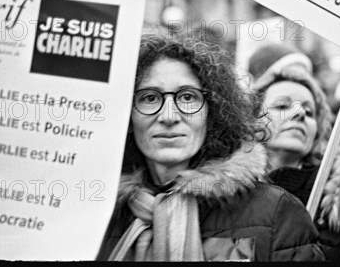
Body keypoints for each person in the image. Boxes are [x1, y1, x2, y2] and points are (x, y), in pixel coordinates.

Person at [96, 31, 324, 261]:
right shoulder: (95, 216)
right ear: (127, 116)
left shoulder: (276, 214)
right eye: (150, 98)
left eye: (187, 97)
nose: (169, 116)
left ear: (212, 112)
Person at [253, 66, 340, 261]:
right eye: (282, 106)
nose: (300, 113)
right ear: (252, 122)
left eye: (309, 111)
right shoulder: (229, 195)